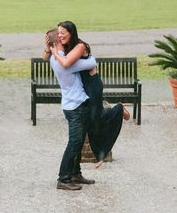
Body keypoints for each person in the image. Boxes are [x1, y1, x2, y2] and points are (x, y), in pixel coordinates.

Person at [49, 21, 130, 168]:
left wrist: (55, 53)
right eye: (58, 33)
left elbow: (66, 63)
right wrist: (48, 46)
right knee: (92, 120)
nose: (60, 35)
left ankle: (117, 110)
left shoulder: (80, 46)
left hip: (92, 84)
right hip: (84, 85)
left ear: (71, 32)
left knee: (94, 118)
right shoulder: (69, 46)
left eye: (63, 32)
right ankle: (99, 154)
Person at [43, 28, 97, 191]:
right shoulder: (64, 62)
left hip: (74, 103)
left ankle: (75, 174)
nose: (63, 38)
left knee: (78, 141)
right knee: (74, 143)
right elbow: (91, 62)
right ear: (57, 42)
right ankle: (63, 178)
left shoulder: (56, 57)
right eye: (60, 37)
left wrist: (48, 50)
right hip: (75, 106)